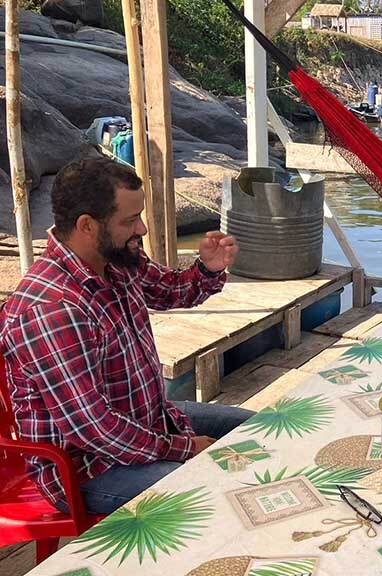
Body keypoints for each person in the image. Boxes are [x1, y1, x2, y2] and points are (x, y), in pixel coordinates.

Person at [0, 157, 255, 514]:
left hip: (148, 420)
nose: (143, 230)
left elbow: (170, 290)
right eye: (130, 220)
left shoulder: (115, 259)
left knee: (263, 431)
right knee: (217, 494)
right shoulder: (51, 309)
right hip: (86, 469)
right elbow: (96, 430)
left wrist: (207, 270)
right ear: (87, 225)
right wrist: (185, 448)